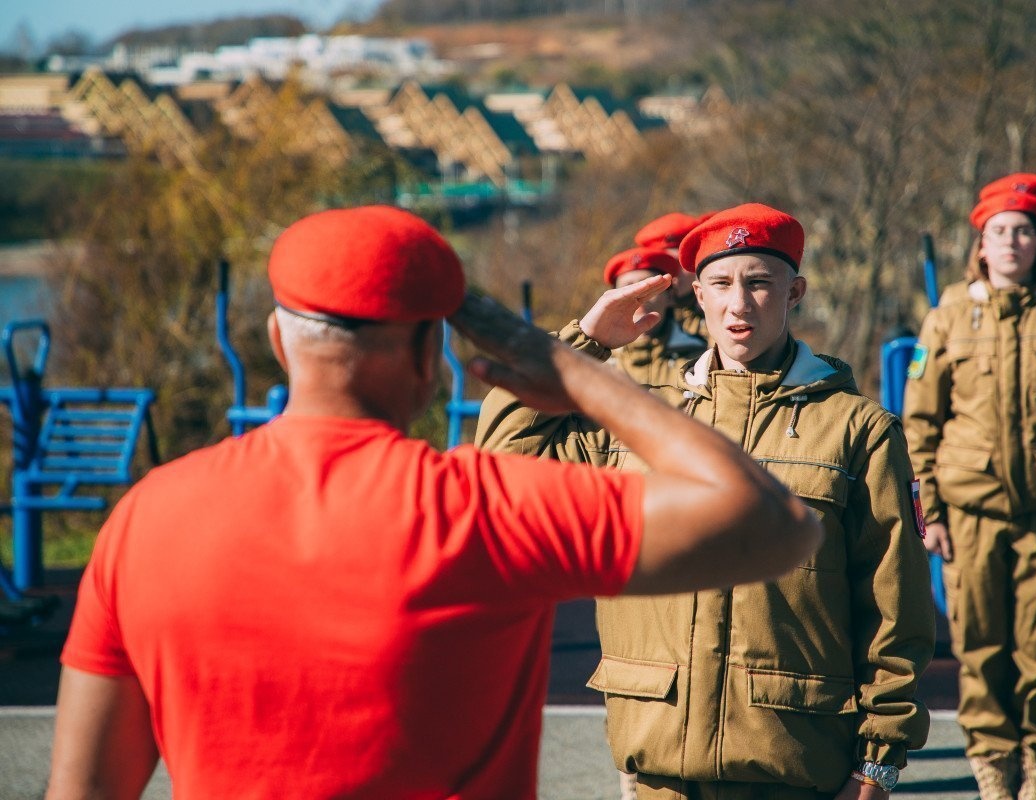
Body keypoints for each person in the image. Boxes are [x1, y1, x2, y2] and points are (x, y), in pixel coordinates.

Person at [46, 205, 825, 800]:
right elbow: (771, 523)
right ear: (429, 357)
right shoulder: (483, 509)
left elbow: (82, 788)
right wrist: (574, 368)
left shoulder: (147, 518)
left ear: (280, 343)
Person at [479, 202, 935, 800]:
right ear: (697, 294)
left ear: (794, 291)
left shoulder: (856, 429)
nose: (739, 305)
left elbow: (892, 602)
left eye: (759, 283)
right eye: (720, 284)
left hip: (793, 761)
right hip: (659, 759)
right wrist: (584, 340)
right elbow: (502, 454)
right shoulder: (640, 417)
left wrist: (877, 761)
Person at [903, 177, 1036, 800]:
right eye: (999, 231)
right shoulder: (948, 315)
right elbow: (920, 423)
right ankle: (993, 774)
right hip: (969, 515)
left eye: (1024, 231)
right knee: (980, 649)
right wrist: (932, 515)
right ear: (980, 244)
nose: (1011, 242)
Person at [603, 245, 708, 386]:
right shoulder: (597, 361)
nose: (638, 296)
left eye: (649, 288)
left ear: (669, 295)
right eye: (628, 288)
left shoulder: (700, 358)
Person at [635, 211, 708, 341]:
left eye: (680, 264)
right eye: (664, 267)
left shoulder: (714, 309)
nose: (672, 274)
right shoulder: (638, 314)